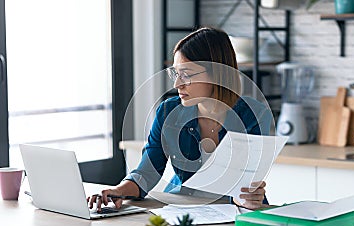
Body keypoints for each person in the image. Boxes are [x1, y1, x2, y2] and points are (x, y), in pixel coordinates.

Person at [88, 27, 272, 211]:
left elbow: (243, 183)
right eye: (176, 74)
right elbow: (147, 171)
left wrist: (245, 196)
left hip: (235, 212)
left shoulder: (254, 115)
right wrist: (118, 190)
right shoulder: (168, 111)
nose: (177, 84)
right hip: (182, 208)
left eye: (186, 74)